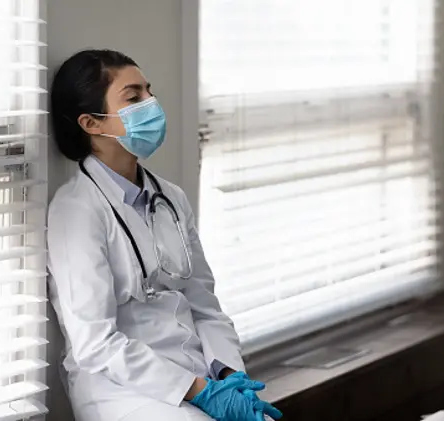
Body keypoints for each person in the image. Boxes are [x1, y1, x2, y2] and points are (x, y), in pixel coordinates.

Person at [47, 49, 282, 421]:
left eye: (149, 92)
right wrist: (200, 392)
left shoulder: (170, 197)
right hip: (120, 390)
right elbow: (95, 344)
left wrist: (229, 377)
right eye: (134, 97)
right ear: (92, 123)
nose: (151, 104)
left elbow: (205, 305)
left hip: (199, 377)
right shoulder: (76, 210)